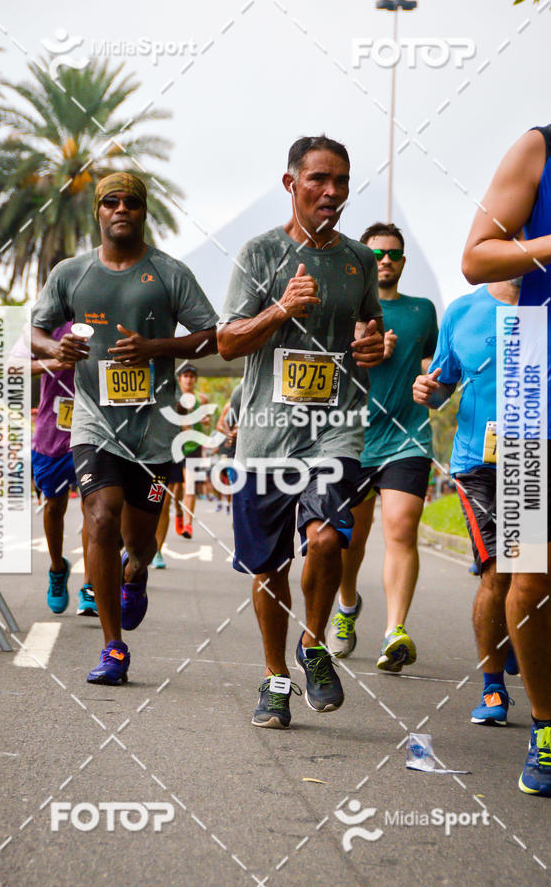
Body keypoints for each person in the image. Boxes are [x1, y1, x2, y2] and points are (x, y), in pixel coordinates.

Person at [218, 135, 384, 728]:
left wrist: (371, 344)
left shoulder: (358, 261)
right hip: (265, 435)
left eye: (341, 181)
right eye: (319, 179)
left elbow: (372, 331)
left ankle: (312, 645)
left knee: (326, 540)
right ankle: (275, 678)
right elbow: (228, 341)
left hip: (335, 429)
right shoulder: (260, 254)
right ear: (291, 184)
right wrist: (281, 309)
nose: (332, 192)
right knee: (268, 569)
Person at [31, 172, 217, 685]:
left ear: (142, 212)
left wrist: (154, 348)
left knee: (141, 544)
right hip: (95, 422)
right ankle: (113, 647)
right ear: (98, 212)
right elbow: (36, 330)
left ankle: (135, 575)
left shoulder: (169, 273)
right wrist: (55, 349)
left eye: (130, 202)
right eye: (109, 201)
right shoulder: (72, 273)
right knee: (99, 517)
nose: (120, 209)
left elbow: (211, 338)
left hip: (153, 433)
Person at [461, 120, 551, 796]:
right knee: (526, 581)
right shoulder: (543, 147)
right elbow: (477, 258)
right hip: (538, 394)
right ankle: (548, 723)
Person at [327, 222, 438, 672]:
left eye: (393, 254)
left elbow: (432, 360)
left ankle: (395, 631)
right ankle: (348, 606)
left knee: (401, 526)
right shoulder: (342, 310)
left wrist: (431, 380)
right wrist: (366, 349)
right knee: (349, 540)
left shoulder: (423, 311)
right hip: (353, 438)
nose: (385, 261)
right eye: (377, 254)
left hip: (407, 438)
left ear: (403, 261)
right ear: (363, 261)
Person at [412, 278, 521, 724]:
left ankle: (515, 628)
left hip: (533, 456)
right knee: (496, 571)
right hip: (478, 462)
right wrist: (426, 390)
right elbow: (442, 387)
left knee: (528, 576)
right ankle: (493, 689)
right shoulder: (462, 311)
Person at [31, 322, 97, 616]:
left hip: (95, 434)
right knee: (54, 507)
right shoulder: (45, 325)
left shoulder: (105, 317)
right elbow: (9, 368)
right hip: (52, 436)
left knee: (95, 510)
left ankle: (91, 585)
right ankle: (58, 569)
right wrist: (55, 361)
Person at [174, 364, 210, 538]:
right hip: (174, 447)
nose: (188, 379)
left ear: (195, 380)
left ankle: (188, 525)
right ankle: (179, 516)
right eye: (185, 376)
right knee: (176, 491)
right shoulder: (174, 397)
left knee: (189, 486)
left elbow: (207, 420)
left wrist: (204, 420)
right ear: (180, 378)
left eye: (191, 376)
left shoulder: (201, 399)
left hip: (193, 447)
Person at [215, 380, 243, 514]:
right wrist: (230, 434)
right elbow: (220, 425)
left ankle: (237, 511)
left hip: (248, 448)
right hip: (230, 449)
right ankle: (232, 509)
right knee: (229, 479)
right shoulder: (229, 405)